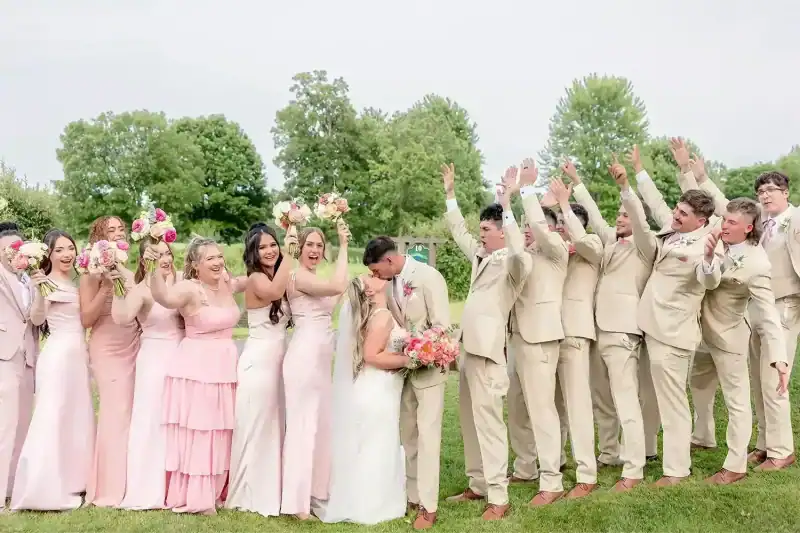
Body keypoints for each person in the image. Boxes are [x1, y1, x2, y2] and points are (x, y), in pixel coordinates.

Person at [613, 156, 720, 487]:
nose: (675, 214)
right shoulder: (672, 229)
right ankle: (655, 457)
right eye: (677, 209)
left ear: (701, 220)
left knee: (672, 403)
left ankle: (676, 471)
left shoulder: (707, 244)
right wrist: (632, 180)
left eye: (684, 213)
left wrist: (707, 261)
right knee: (658, 398)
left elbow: (710, 279)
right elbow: (654, 204)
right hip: (651, 326)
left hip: (674, 333)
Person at [693, 164, 798, 471]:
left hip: (785, 304)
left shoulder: (796, 217)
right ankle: (764, 444)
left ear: (786, 193)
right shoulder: (758, 222)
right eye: (761, 191)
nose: (765, 196)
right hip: (752, 305)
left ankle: (782, 450)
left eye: (771, 190)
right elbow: (727, 205)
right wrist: (698, 176)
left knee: (773, 378)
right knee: (756, 378)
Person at [442, 163, 529, 521]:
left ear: (503, 233)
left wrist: (508, 204)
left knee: (490, 424)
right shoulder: (480, 256)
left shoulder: (515, 263)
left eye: (486, 230)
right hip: (467, 350)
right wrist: (450, 194)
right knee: (469, 421)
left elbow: (520, 253)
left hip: (490, 353)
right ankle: (477, 484)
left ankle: (499, 495)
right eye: (481, 229)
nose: (480, 235)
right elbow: (459, 232)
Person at [565, 155, 655, 491]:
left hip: (623, 330)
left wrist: (625, 187)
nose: (618, 218)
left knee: (625, 398)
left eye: (625, 214)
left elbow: (640, 224)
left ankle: (634, 468)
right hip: (596, 329)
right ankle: (608, 452)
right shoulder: (610, 243)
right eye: (618, 213)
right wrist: (576, 183)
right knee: (601, 397)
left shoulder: (646, 245)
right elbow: (597, 219)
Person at [362, 235, 450, 530]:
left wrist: (419, 349)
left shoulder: (429, 277)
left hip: (428, 371)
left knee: (428, 439)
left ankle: (429, 505)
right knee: (409, 436)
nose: (377, 277)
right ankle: (412, 495)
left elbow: (441, 326)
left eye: (377, 271)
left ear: (388, 260)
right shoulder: (391, 285)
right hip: (403, 372)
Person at [149, 237, 243, 514]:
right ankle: (197, 497)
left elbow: (253, 282)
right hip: (197, 369)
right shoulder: (189, 289)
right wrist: (154, 266)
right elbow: (163, 298)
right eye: (210, 258)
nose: (217, 262)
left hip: (225, 368)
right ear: (194, 264)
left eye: (219, 256)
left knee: (221, 430)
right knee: (202, 431)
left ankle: (217, 489)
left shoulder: (226, 282)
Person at [312, 275, 410, 525]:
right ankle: (372, 504)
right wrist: (410, 360)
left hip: (374, 387)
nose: (377, 276)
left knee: (370, 442)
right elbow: (371, 355)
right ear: (369, 290)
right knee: (378, 443)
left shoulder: (377, 314)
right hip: (377, 387)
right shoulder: (382, 316)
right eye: (371, 277)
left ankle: (366, 497)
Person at [500, 162, 570, 506]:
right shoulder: (523, 256)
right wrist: (507, 202)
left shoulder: (555, 251)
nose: (529, 231)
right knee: (517, 409)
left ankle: (552, 481)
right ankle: (525, 467)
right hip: (515, 339)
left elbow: (541, 229)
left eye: (534, 226)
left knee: (543, 410)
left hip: (541, 339)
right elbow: (514, 242)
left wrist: (528, 190)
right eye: (525, 227)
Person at [10, 230, 93, 511]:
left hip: (78, 355)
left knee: (76, 417)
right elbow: (37, 318)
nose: (67, 254)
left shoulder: (76, 281)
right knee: (52, 417)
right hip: (57, 355)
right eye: (59, 250)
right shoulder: (42, 282)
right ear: (48, 254)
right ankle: (40, 488)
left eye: (70, 248)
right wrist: (39, 292)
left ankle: (73, 480)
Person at [281, 221, 349, 520]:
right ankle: (296, 502)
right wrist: (345, 246)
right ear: (300, 248)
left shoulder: (316, 277)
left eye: (320, 246)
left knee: (319, 426)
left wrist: (342, 250)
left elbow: (337, 290)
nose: (315, 250)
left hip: (321, 361)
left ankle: (315, 490)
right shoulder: (296, 277)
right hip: (304, 357)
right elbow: (338, 286)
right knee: (302, 426)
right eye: (310, 244)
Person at [227, 224, 294, 517]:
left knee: (274, 423)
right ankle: (251, 491)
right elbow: (276, 290)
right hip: (259, 360)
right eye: (262, 247)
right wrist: (290, 255)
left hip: (279, 359)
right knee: (257, 424)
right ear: (253, 254)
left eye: (272, 245)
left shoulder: (271, 275)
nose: (270, 251)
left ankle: (275, 485)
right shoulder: (256, 279)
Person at [112, 237, 184, 510]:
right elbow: (121, 317)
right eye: (157, 255)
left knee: (179, 420)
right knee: (152, 420)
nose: (165, 258)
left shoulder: (180, 281)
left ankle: (178, 486)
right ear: (145, 261)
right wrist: (118, 287)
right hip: (154, 359)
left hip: (182, 355)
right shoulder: (142, 290)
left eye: (167, 253)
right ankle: (148, 488)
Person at [81, 215, 141, 507]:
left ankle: (133, 480)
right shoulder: (90, 272)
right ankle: (108, 486)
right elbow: (86, 318)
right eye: (111, 230)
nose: (118, 233)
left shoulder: (126, 267)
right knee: (114, 413)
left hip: (133, 340)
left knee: (131, 413)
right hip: (107, 346)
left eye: (121, 229)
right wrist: (105, 284)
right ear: (99, 238)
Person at [0, 225, 37, 509]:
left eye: (18, 247)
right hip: (3, 355)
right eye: (7, 248)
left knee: (23, 425)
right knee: (4, 426)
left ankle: (13, 488)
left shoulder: (31, 279)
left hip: (28, 356)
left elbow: (34, 319)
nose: (14, 252)